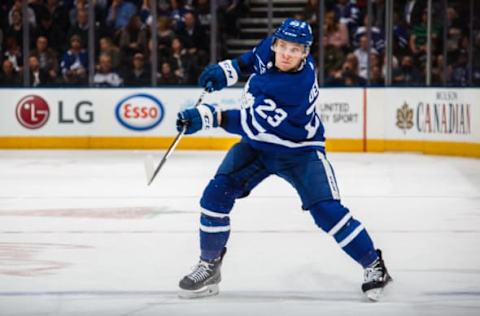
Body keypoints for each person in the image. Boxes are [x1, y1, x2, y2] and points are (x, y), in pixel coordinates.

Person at [175, 18, 392, 301]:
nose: (287, 53)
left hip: (299, 151)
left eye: (296, 49)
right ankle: (209, 265)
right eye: (284, 47)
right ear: (275, 43)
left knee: (327, 212)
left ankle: (374, 265)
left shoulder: (295, 86)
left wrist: (208, 117)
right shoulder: (270, 48)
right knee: (215, 196)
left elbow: (251, 122)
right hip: (257, 147)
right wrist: (224, 71)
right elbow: (248, 61)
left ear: (306, 53)